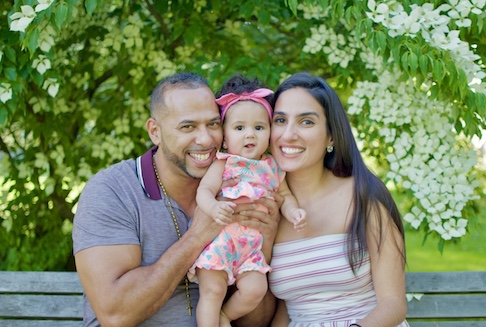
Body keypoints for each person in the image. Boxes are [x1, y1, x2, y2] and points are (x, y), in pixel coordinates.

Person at [72, 72, 280, 327]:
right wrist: (197, 236)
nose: (205, 140)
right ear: (155, 132)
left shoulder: (238, 187)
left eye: (213, 124)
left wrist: (264, 246)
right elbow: (116, 314)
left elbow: (255, 323)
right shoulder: (112, 191)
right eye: (187, 127)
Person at [268, 72, 409, 327]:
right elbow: (286, 309)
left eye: (306, 122)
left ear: (331, 136)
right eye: (280, 120)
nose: (288, 134)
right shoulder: (266, 207)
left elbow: (393, 303)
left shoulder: (364, 195)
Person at [187, 74, 306, 327]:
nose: (249, 135)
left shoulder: (273, 167)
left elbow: (284, 196)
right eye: (239, 128)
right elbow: (204, 191)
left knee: (255, 289)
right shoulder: (224, 162)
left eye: (259, 128)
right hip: (220, 242)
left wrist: (294, 211)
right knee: (212, 292)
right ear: (225, 137)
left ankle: (225, 316)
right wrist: (213, 207)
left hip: (251, 249)